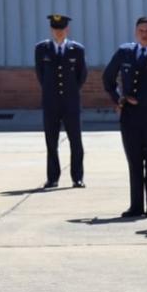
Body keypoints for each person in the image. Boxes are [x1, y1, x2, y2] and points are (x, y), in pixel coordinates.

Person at [102, 17, 147, 218]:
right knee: (134, 162)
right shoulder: (125, 52)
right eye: (141, 30)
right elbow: (108, 78)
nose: (145, 34)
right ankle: (135, 206)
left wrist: (136, 99)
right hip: (130, 118)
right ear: (135, 33)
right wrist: (119, 100)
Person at [34, 13, 88, 188]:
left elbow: (82, 75)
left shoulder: (77, 49)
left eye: (61, 29)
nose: (58, 32)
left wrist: (71, 91)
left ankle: (77, 177)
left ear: (67, 29)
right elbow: (41, 74)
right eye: (55, 29)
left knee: (76, 141)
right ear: (51, 30)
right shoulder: (42, 49)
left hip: (71, 102)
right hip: (51, 102)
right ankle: (52, 178)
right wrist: (52, 92)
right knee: (51, 141)